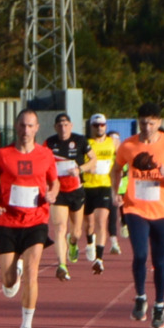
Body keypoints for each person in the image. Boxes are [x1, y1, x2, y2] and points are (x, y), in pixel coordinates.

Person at [0, 108, 60, 328]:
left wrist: (53, 195)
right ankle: (14, 275)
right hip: (7, 221)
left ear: (37, 129)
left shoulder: (45, 155)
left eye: (30, 126)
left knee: (33, 274)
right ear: (16, 127)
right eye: (22, 125)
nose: (26, 130)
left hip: (36, 221)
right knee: (8, 280)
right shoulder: (2, 155)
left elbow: (54, 183)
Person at [111, 103, 164, 328]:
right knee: (140, 255)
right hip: (135, 209)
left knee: (159, 261)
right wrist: (116, 191)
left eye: (151, 122)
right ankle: (141, 296)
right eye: (143, 122)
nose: (147, 127)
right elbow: (116, 169)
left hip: (162, 211)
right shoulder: (128, 145)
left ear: (160, 122)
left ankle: (160, 305)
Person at [43, 112, 94, 281]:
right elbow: (41, 162)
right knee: (59, 228)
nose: (63, 128)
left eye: (66, 125)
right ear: (55, 127)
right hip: (58, 191)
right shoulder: (49, 143)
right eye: (60, 125)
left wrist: (80, 169)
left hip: (76, 190)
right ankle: (61, 265)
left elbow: (93, 160)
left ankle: (73, 243)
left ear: (71, 126)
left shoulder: (80, 141)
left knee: (76, 232)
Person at [81, 113, 116, 274]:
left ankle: (99, 259)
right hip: (88, 186)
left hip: (104, 186)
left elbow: (119, 163)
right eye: (96, 125)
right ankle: (89, 242)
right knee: (89, 224)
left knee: (101, 221)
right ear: (91, 127)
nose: (99, 128)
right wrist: (89, 166)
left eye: (102, 125)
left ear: (106, 126)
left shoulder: (113, 143)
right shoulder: (86, 143)